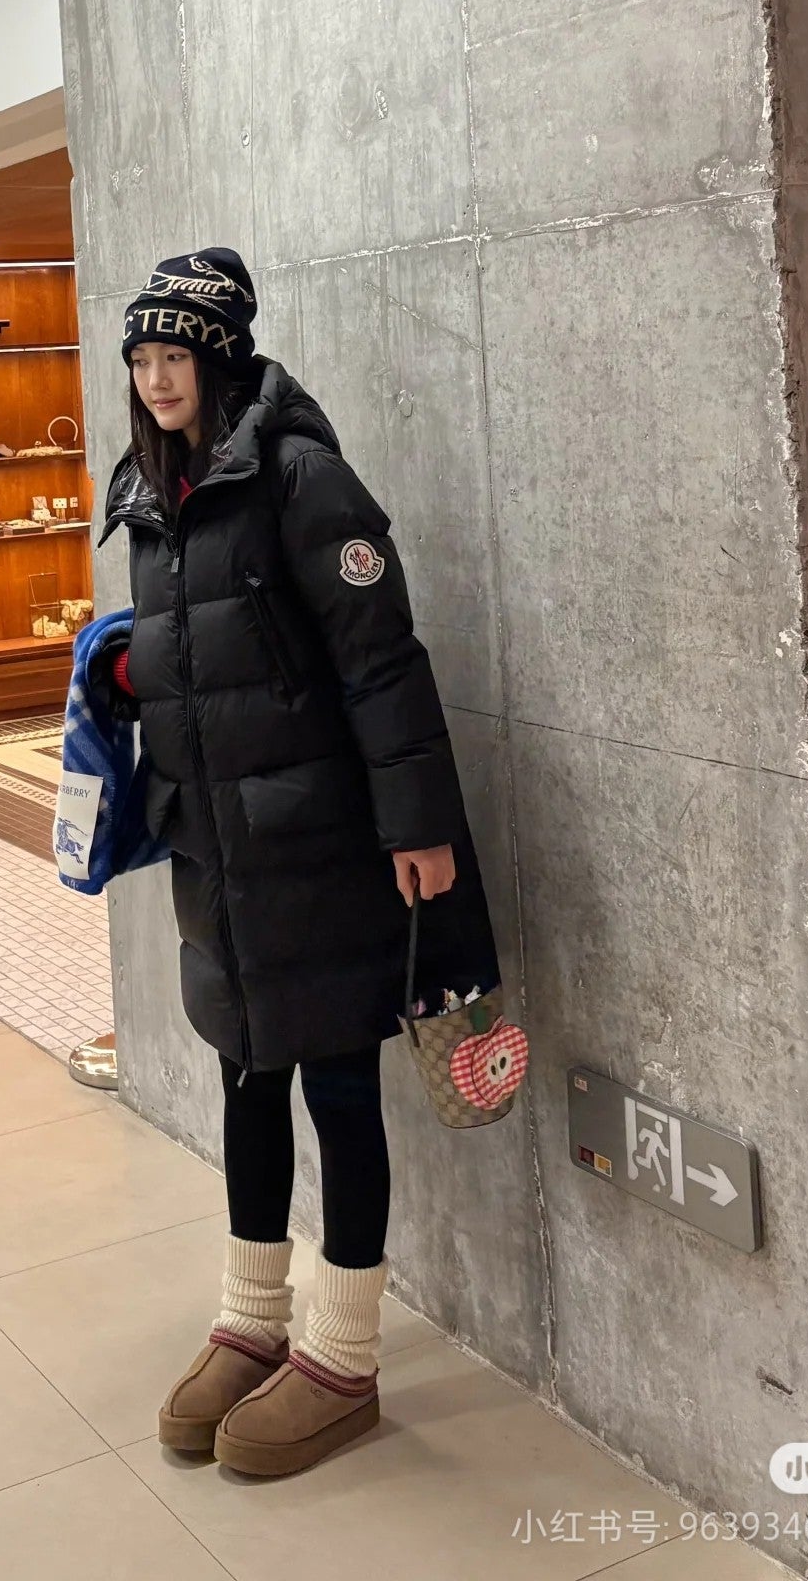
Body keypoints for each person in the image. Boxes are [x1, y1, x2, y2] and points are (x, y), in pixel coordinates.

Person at [94, 246, 502, 1478]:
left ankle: (345, 1354)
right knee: (243, 1074)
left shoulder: (298, 475)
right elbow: (210, 649)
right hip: (217, 847)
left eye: (176, 355)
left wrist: (417, 827)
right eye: (141, 358)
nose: (157, 378)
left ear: (220, 358)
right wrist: (129, 674)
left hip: (318, 840)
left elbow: (380, 659)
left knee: (335, 1083)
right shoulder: (151, 489)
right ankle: (253, 1319)